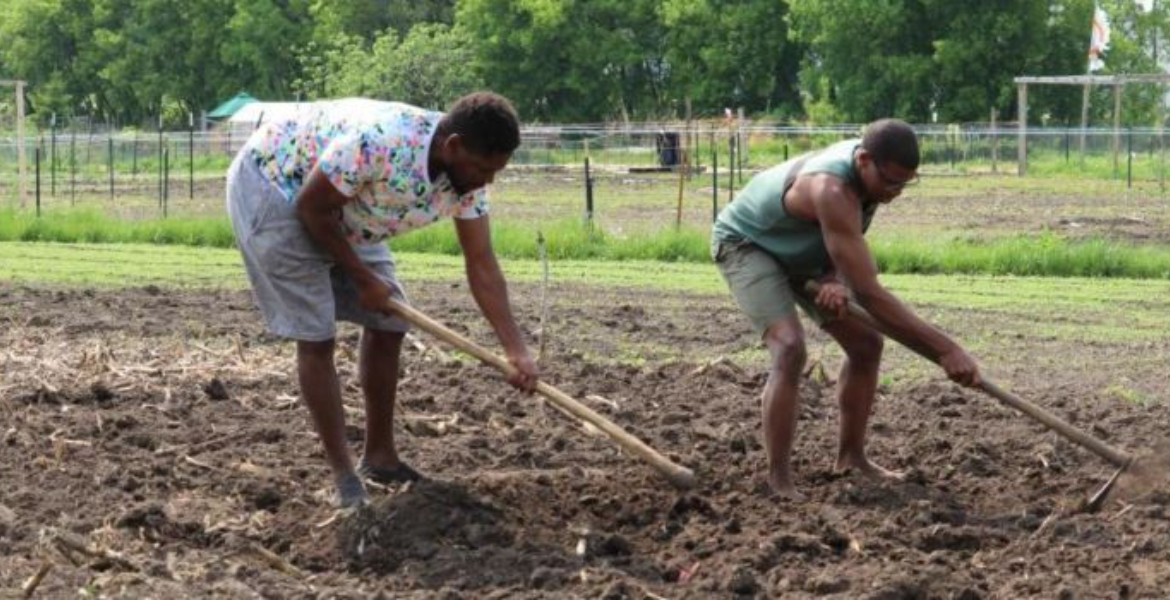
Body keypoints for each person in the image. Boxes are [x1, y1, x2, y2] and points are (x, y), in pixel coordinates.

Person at [226, 92, 538, 508]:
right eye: (483, 169)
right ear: (453, 147)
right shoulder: (380, 143)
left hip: (347, 207)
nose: (488, 180)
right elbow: (312, 209)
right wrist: (361, 277)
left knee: (389, 324)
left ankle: (381, 458)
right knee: (317, 337)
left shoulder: (467, 179)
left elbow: (481, 262)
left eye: (496, 171)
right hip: (277, 188)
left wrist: (515, 348)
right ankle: (345, 478)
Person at [710, 118, 980, 500]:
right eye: (890, 183)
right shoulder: (832, 187)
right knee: (789, 348)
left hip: (805, 249)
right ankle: (779, 479)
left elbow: (842, 241)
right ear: (865, 159)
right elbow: (870, 294)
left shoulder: (871, 175)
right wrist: (945, 349)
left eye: (905, 184)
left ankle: (851, 458)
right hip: (749, 244)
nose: (895, 193)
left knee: (867, 345)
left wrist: (834, 277)